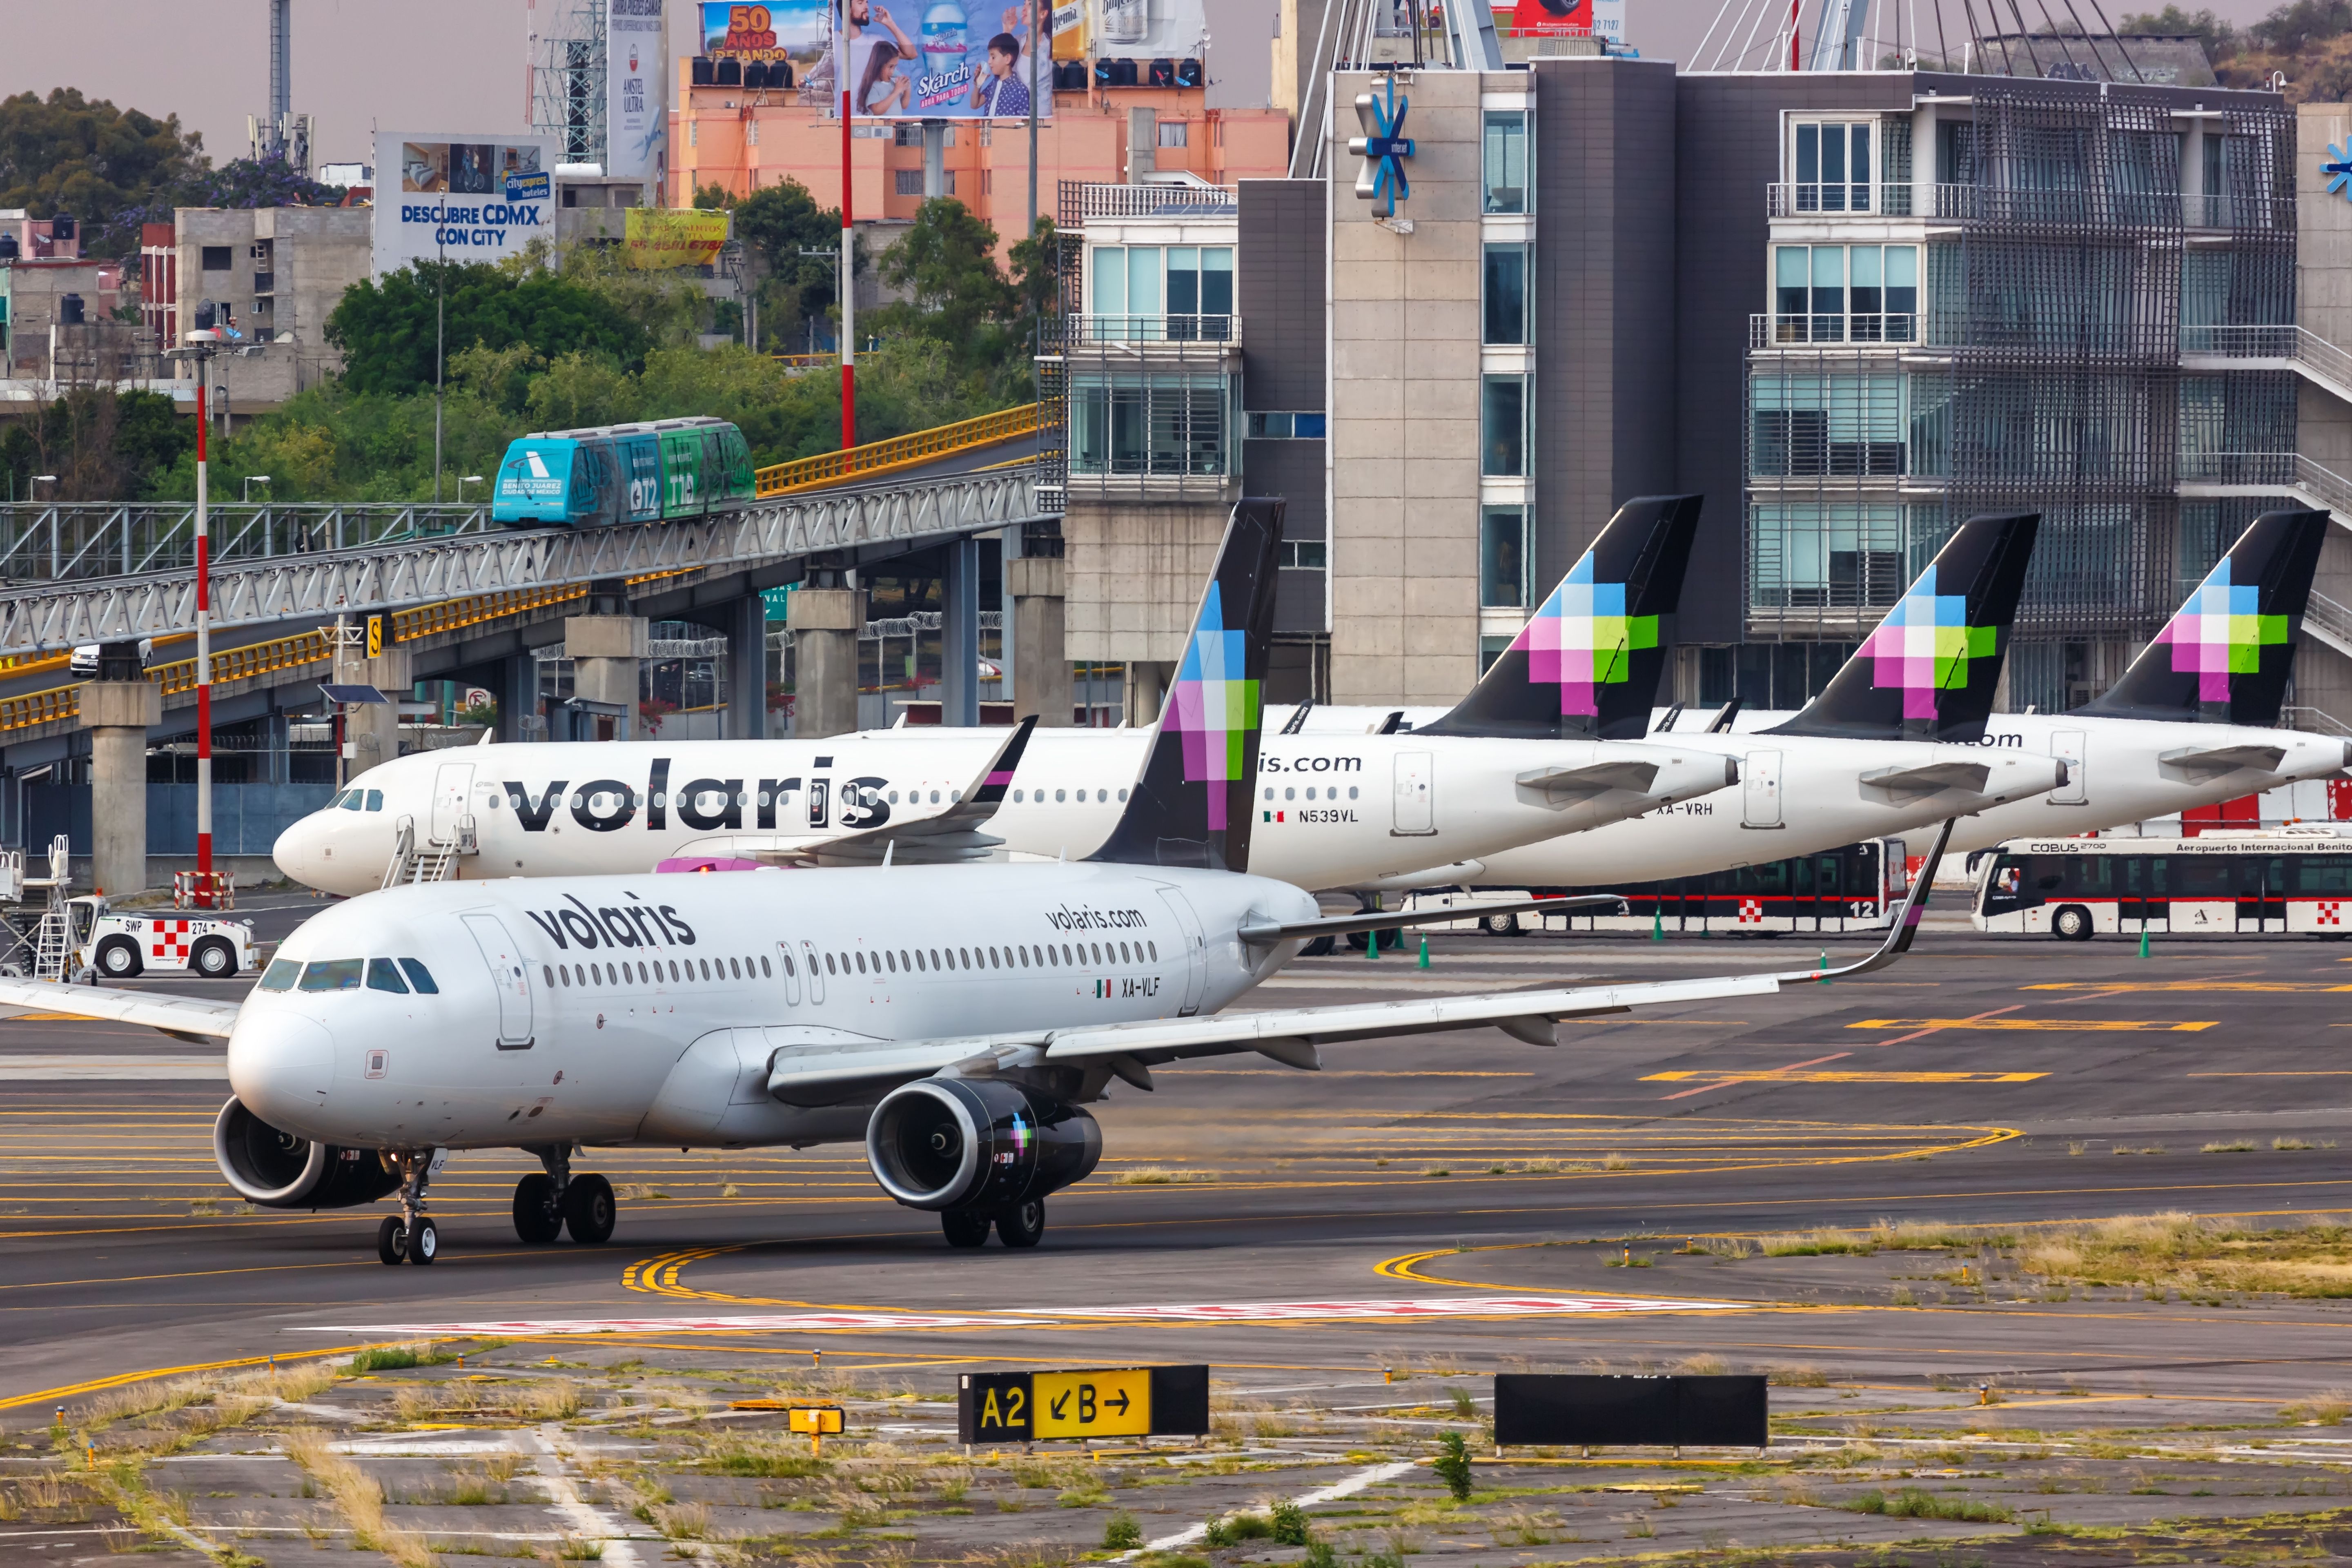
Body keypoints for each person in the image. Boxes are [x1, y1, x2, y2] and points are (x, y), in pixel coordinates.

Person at [969, 32, 1031, 116]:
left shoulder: (1020, 90)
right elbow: (974, 105)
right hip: (989, 129)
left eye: (993, 57)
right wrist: (978, 84)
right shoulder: (994, 84)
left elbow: (1023, 123)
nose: (989, 61)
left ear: (1007, 59)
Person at [858, 40, 913, 114]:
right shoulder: (873, 86)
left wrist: (908, 89)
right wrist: (896, 92)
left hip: (896, 126)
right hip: (881, 126)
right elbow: (877, 111)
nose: (893, 71)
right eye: (890, 67)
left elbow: (904, 106)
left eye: (895, 67)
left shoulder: (893, 83)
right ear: (879, 66)